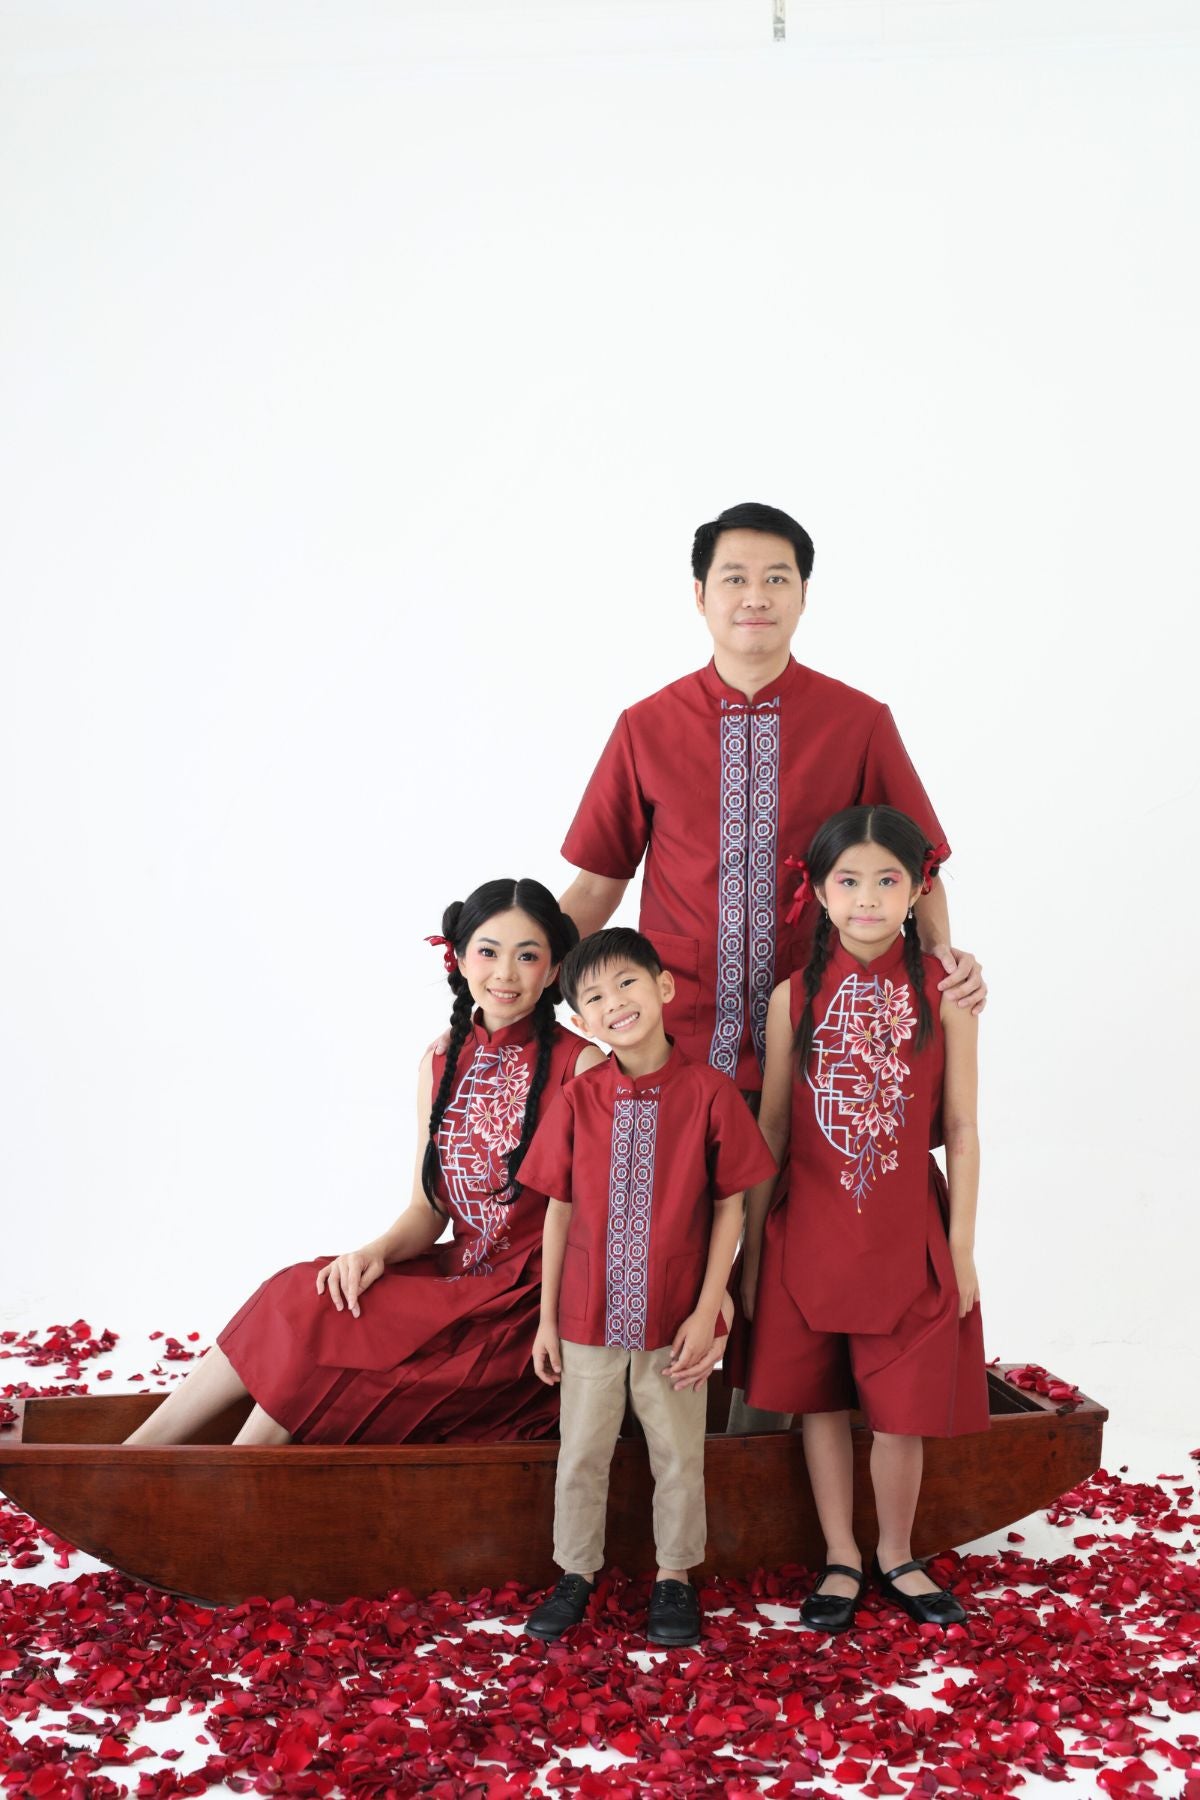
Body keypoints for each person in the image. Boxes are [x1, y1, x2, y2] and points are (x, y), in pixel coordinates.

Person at [125, 879, 605, 1447]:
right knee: (304, 1291)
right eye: (488, 951)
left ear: (553, 971)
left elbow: (606, 1221)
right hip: (461, 1275)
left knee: (338, 1358)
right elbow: (427, 1209)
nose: (505, 973)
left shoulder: (584, 1067)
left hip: (530, 1305)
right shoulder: (441, 1061)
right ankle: (138, 1453)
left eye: (527, 956)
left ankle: (227, 1472)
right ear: (459, 958)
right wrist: (372, 1253)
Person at [559, 500, 985, 1098]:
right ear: (700, 595)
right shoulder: (645, 727)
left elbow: (922, 866)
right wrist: (518, 981)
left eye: (777, 579)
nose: (756, 597)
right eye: (735, 579)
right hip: (676, 1030)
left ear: (804, 595)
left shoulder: (858, 722)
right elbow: (596, 884)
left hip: (825, 1018)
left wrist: (942, 955)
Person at [736, 806, 988, 1633]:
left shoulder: (945, 994)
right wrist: (750, 1258)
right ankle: (842, 1554)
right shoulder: (792, 998)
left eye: (888, 881)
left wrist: (961, 1249)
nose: (868, 899)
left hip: (906, 1233)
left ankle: (898, 1554)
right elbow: (773, 1130)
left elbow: (961, 1127)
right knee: (819, 1402)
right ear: (818, 891)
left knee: (901, 1410)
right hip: (807, 1234)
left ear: (918, 890)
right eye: (849, 881)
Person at [518, 928, 777, 1647]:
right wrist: (547, 1320)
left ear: (663, 986)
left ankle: (675, 1576)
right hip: (587, 1315)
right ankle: (575, 1571)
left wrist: (707, 1309)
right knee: (582, 1451)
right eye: (594, 997)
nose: (614, 1003)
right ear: (581, 1020)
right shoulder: (579, 1099)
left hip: (674, 1317)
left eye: (626, 983)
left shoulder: (709, 1093)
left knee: (678, 1454)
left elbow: (731, 1206)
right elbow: (558, 1210)